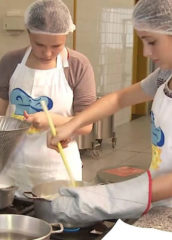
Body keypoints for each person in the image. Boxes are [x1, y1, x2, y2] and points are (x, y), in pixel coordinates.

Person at [45, 0, 172, 227]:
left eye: (152, 41)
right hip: (156, 197)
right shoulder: (165, 76)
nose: (145, 52)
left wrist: (108, 198)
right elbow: (119, 98)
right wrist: (74, 124)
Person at [0, 0, 96, 197]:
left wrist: (52, 121)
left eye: (56, 46)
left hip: (58, 168)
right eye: (39, 44)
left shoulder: (78, 65)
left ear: (66, 36)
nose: (47, 53)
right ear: (28, 32)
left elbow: (87, 124)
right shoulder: (11, 61)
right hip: (13, 166)